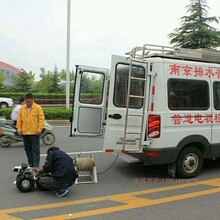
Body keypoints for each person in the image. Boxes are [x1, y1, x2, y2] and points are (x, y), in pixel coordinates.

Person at [16, 93, 45, 168]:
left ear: (33, 100)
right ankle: (31, 163)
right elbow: (19, 120)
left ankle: (36, 165)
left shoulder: (38, 108)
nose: (28, 103)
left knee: (35, 150)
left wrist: (39, 129)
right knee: (27, 149)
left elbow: (41, 119)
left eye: (29, 101)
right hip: (25, 132)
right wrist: (19, 128)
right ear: (25, 101)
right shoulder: (22, 108)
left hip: (34, 132)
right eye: (26, 101)